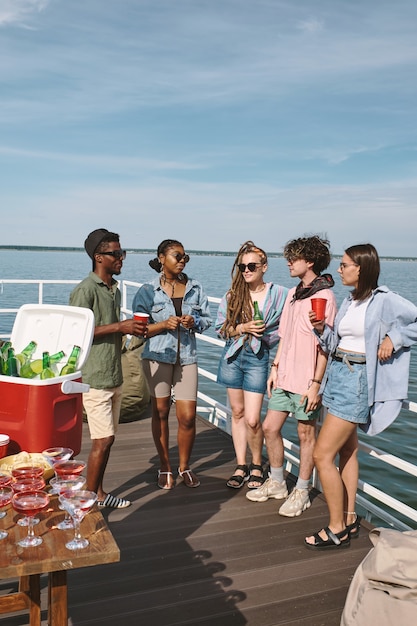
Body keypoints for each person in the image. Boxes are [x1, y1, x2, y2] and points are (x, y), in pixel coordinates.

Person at [305, 243, 417, 550]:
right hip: (337, 376)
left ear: (361, 268)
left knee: (321, 455)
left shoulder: (385, 300)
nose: (339, 270)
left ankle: (336, 528)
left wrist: (396, 337)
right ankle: (350, 517)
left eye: (344, 265)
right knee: (347, 452)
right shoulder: (350, 300)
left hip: (357, 382)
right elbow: (336, 343)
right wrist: (320, 329)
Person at [247, 235, 337, 516]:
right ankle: (276, 482)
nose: (288, 262)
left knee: (305, 433)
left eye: (294, 258)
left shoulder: (325, 296)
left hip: (307, 380)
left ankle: (302, 489)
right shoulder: (293, 294)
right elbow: (284, 335)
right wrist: (274, 369)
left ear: (309, 261)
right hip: (285, 375)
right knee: (270, 428)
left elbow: (326, 346)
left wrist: (315, 385)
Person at [69, 228, 148, 508]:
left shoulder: (113, 289)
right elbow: (76, 333)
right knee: (102, 441)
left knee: (109, 440)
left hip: (114, 374)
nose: (121, 258)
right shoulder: (85, 290)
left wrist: (132, 328)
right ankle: (87, 503)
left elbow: (109, 329)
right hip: (96, 377)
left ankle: (99, 493)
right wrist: (121, 326)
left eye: (122, 253)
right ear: (99, 257)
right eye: (116, 254)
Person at [132, 239, 211, 490]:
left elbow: (207, 321)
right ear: (162, 258)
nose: (182, 261)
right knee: (161, 412)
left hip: (187, 358)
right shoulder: (147, 291)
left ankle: (184, 466)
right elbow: (138, 329)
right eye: (178, 256)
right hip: (157, 356)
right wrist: (163, 325)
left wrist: (194, 321)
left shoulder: (195, 287)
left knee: (187, 417)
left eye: (185, 257)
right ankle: (165, 466)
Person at [215, 241, 288, 489]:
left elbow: (290, 322)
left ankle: (257, 463)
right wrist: (242, 328)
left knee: (253, 419)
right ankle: (241, 465)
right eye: (242, 266)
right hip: (234, 356)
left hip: (258, 357)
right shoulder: (233, 295)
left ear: (264, 267)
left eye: (251, 266)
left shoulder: (279, 294)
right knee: (237, 413)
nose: (246, 270)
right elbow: (221, 331)